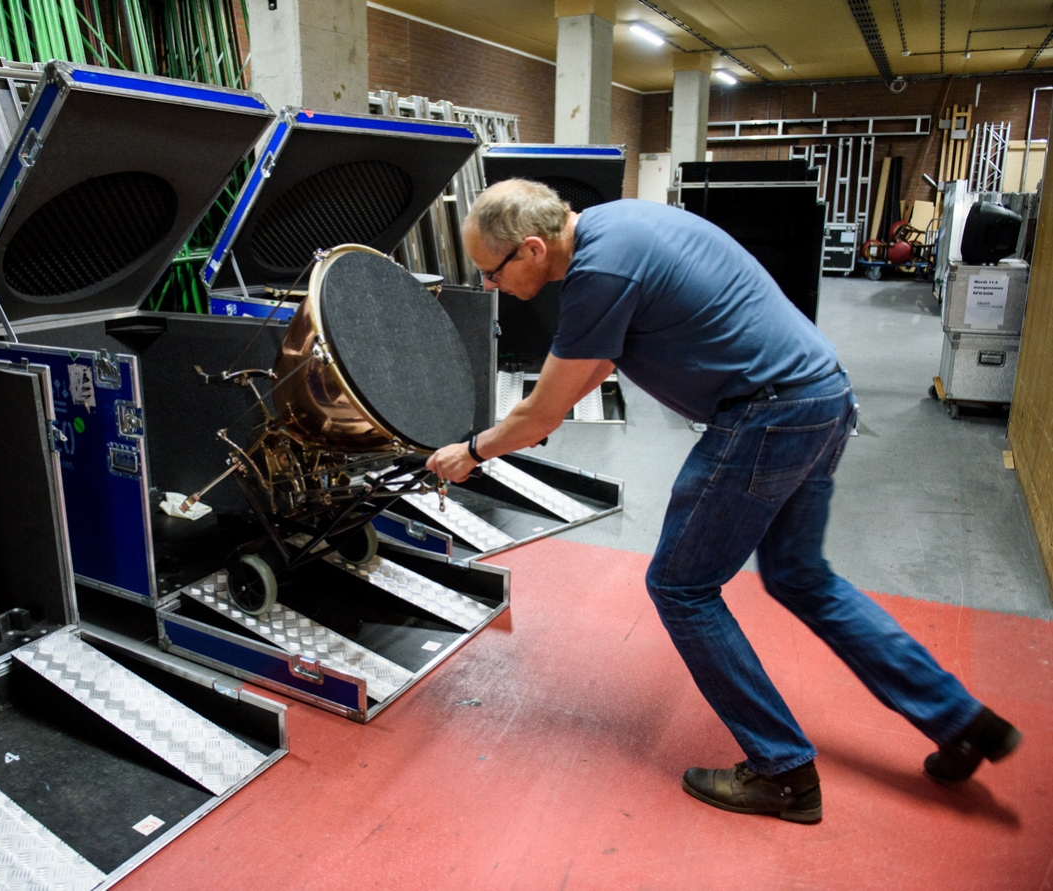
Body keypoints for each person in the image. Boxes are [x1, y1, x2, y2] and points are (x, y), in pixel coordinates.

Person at [427, 178, 1021, 823]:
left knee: (682, 587)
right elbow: (591, 368)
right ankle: (963, 722)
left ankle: (783, 772)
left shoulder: (599, 273)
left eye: (491, 271)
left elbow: (542, 414)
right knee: (802, 578)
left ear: (533, 249)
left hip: (768, 417)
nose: (488, 286)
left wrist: (475, 450)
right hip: (823, 395)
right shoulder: (620, 224)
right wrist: (540, 411)